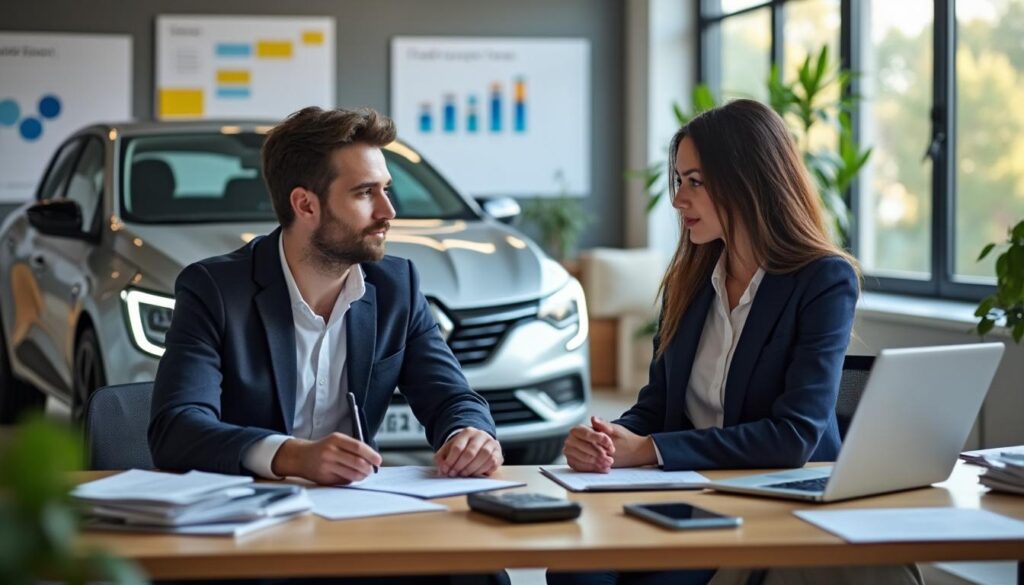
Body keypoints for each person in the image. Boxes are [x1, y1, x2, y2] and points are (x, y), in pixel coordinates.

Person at [550, 99, 918, 585]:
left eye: (695, 182)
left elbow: (794, 436)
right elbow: (657, 406)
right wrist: (608, 439)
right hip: (689, 494)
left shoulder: (823, 281)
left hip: (773, 503)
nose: (679, 200)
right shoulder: (689, 283)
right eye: (678, 181)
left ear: (749, 181)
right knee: (573, 570)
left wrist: (652, 450)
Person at [149, 106, 504, 486]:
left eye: (385, 189)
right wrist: (292, 456)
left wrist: (469, 435)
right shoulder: (214, 290)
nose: (388, 211)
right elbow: (176, 429)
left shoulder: (396, 286)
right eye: (365, 193)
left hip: (357, 504)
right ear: (305, 205)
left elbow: (453, 398)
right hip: (244, 507)